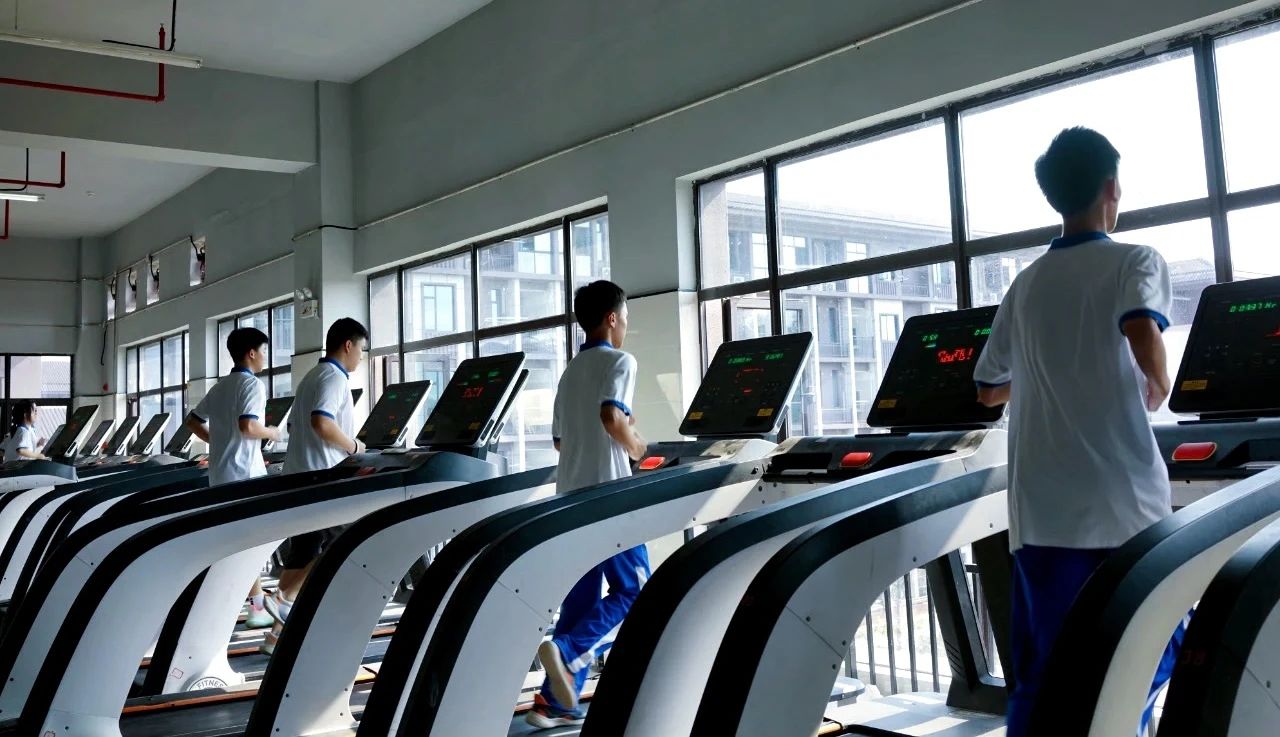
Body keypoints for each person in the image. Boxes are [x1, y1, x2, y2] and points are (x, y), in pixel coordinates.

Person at [973, 127, 1184, 737]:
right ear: (1111, 187)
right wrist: (1159, 385)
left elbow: (988, 389)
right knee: (1149, 647)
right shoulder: (1135, 259)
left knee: (1043, 674)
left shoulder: (1026, 283)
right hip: (1122, 506)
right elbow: (1141, 326)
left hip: (1041, 512)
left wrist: (1049, 375)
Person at [527, 280, 649, 729]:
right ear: (612, 318)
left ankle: (553, 704)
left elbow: (561, 442)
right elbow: (612, 417)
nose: (626, 326)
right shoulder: (621, 361)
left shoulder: (570, 371)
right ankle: (568, 650)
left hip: (570, 499)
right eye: (626, 317)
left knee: (580, 601)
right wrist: (637, 446)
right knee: (635, 592)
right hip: (610, 498)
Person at [261, 317, 368, 655]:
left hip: (299, 475)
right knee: (344, 545)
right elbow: (321, 422)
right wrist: (354, 446)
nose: (361, 357)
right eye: (361, 350)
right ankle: (285, 597)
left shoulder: (311, 376)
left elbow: (295, 426)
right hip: (322, 477)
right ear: (348, 345)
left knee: (304, 552)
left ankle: (276, 634)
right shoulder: (335, 378)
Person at [185, 327, 282, 629]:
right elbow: (248, 427)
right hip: (245, 477)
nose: (265, 357)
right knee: (253, 543)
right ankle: (257, 605)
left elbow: (192, 421)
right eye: (263, 351)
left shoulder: (221, 386)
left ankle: (254, 604)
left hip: (221, 475)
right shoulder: (252, 385)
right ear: (251, 353)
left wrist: (218, 442)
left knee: (240, 543)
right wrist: (273, 433)